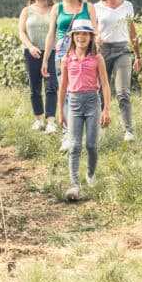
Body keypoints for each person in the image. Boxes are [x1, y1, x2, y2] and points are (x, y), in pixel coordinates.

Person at [42, 0, 99, 150]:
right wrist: (45, 59)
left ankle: (87, 130)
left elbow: (95, 31)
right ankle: (68, 134)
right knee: (66, 92)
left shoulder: (88, 7)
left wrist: (98, 44)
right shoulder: (57, 8)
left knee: (85, 92)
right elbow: (51, 33)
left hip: (85, 53)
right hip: (63, 53)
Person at [58, 19, 110, 201]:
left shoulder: (97, 58)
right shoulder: (66, 59)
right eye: (78, 33)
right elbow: (63, 87)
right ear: (73, 36)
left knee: (91, 145)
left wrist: (106, 110)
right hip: (73, 103)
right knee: (74, 146)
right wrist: (60, 111)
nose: (81, 37)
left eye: (85, 34)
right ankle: (74, 184)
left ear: (90, 37)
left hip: (92, 102)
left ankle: (90, 173)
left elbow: (104, 84)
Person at [94, 0, 141, 142]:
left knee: (123, 92)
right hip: (103, 51)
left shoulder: (127, 6)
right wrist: (95, 37)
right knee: (99, 90)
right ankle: (100, 127)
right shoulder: (97, 7)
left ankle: (128, 131)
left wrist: (138, 56)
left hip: (122, 51)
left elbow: (132, 31)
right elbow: (92, 30)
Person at [18, 0, 59, 133]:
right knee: (34, 87)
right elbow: (21, 32)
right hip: (32, 53)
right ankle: (39, 119)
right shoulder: (27, 11)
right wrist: (30, 47)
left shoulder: (54, 9)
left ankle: (51, 121)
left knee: (51, 86)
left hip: (51, 52)